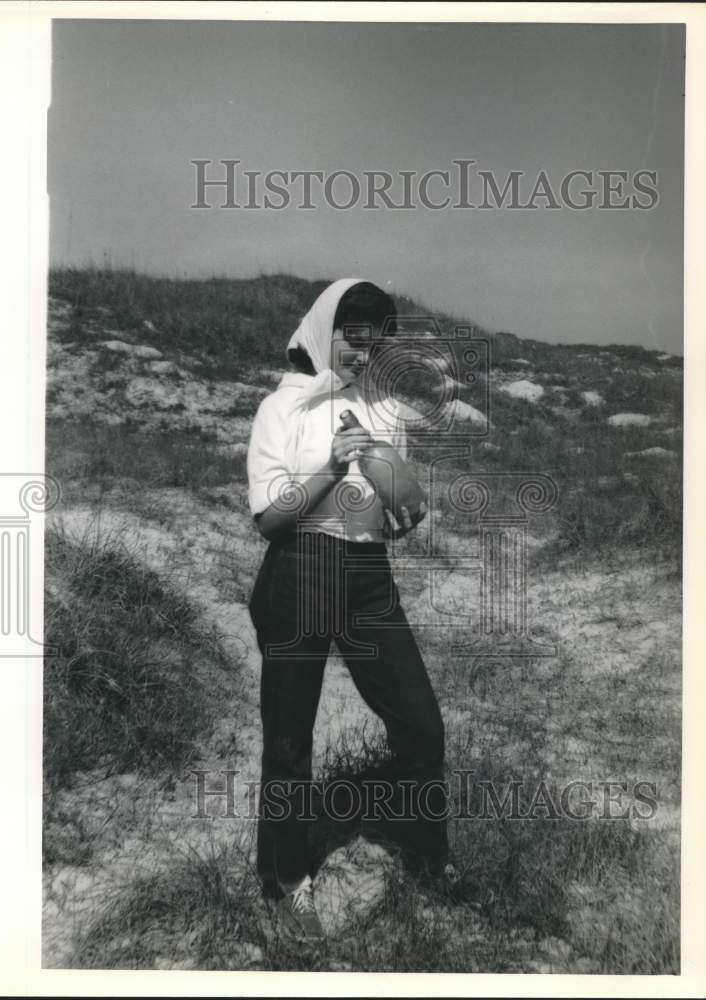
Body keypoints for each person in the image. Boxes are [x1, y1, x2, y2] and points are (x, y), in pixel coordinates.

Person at [246, 278, 452, 944]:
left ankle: (427, 858)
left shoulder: (383, 408)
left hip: (367, 574)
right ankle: (283, 882)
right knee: (288, 738)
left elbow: (407, 513)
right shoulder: (281, 408)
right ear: (322, 330)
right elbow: (268, 520)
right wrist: (332, 471)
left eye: (374, 345)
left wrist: (389, 475)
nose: (363, 356)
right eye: (352, 341)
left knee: (420, 722)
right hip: (299, 568)